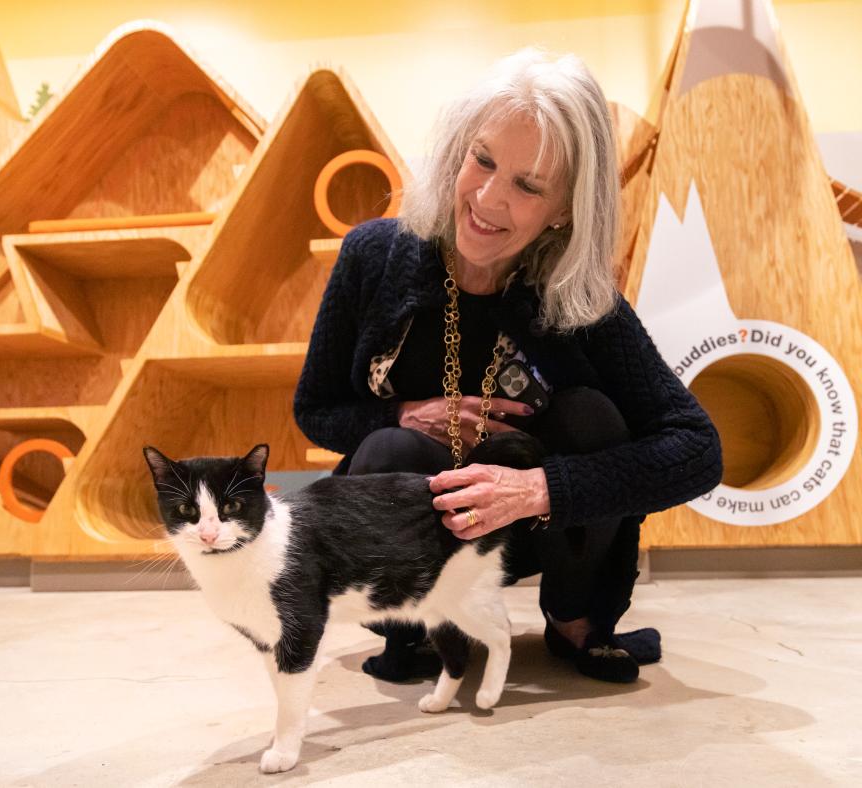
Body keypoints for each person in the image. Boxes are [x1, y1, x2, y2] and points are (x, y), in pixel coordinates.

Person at [293, 48, 722, 684]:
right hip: (419, 531)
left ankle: (576, 618)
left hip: (537, 530)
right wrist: (406, 412)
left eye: (528, 186)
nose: (488, 199)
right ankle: (413, 630)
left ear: (567, 209)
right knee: (385, 447)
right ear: (459, 147)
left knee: (591, 415)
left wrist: (538, 490)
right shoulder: (374, 255)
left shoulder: (580, 299)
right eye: (483, 159)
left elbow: (697, 448)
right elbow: (316, 411)